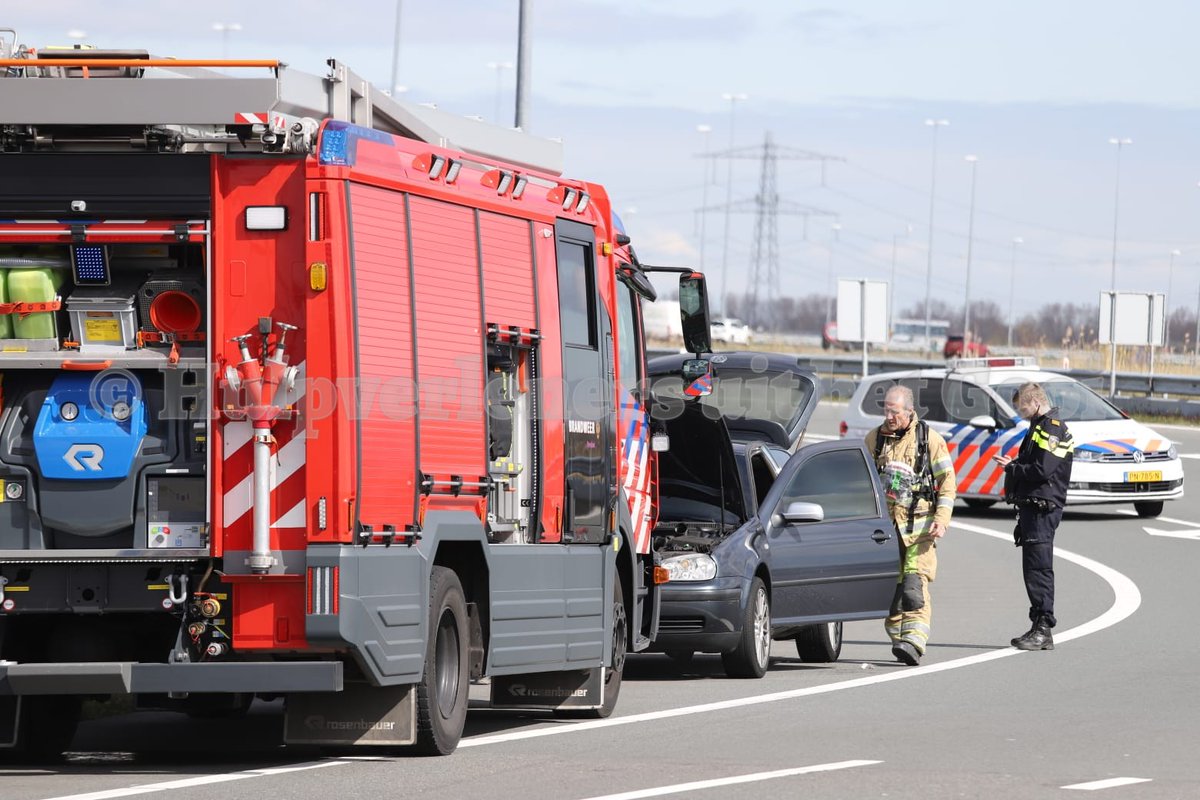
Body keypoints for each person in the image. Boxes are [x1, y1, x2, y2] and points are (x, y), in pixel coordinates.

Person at [865, 385, 957, 666]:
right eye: (886, 410)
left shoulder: (929, 440)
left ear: (909, 411)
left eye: (895, 412)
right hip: (886, 533)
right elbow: (860, 481)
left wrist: (941, 520)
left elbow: (948, 483)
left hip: (920, 530)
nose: (889, 416)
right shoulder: (875, 439)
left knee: (913, 590)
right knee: (891, 597)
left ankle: (915, 642)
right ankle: (900, 642)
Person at [993, 382, 1073, 651]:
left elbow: (1042, 469)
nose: (1020, 413)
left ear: (1035, 402)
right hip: (1034, 507)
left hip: (1042, 508)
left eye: (1023, 407)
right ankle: (1038, 625)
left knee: (1038, 568)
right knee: (1033, 568)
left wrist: (1013, 467)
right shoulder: (1039, 426)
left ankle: (1043, 629)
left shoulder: (1051, 428)